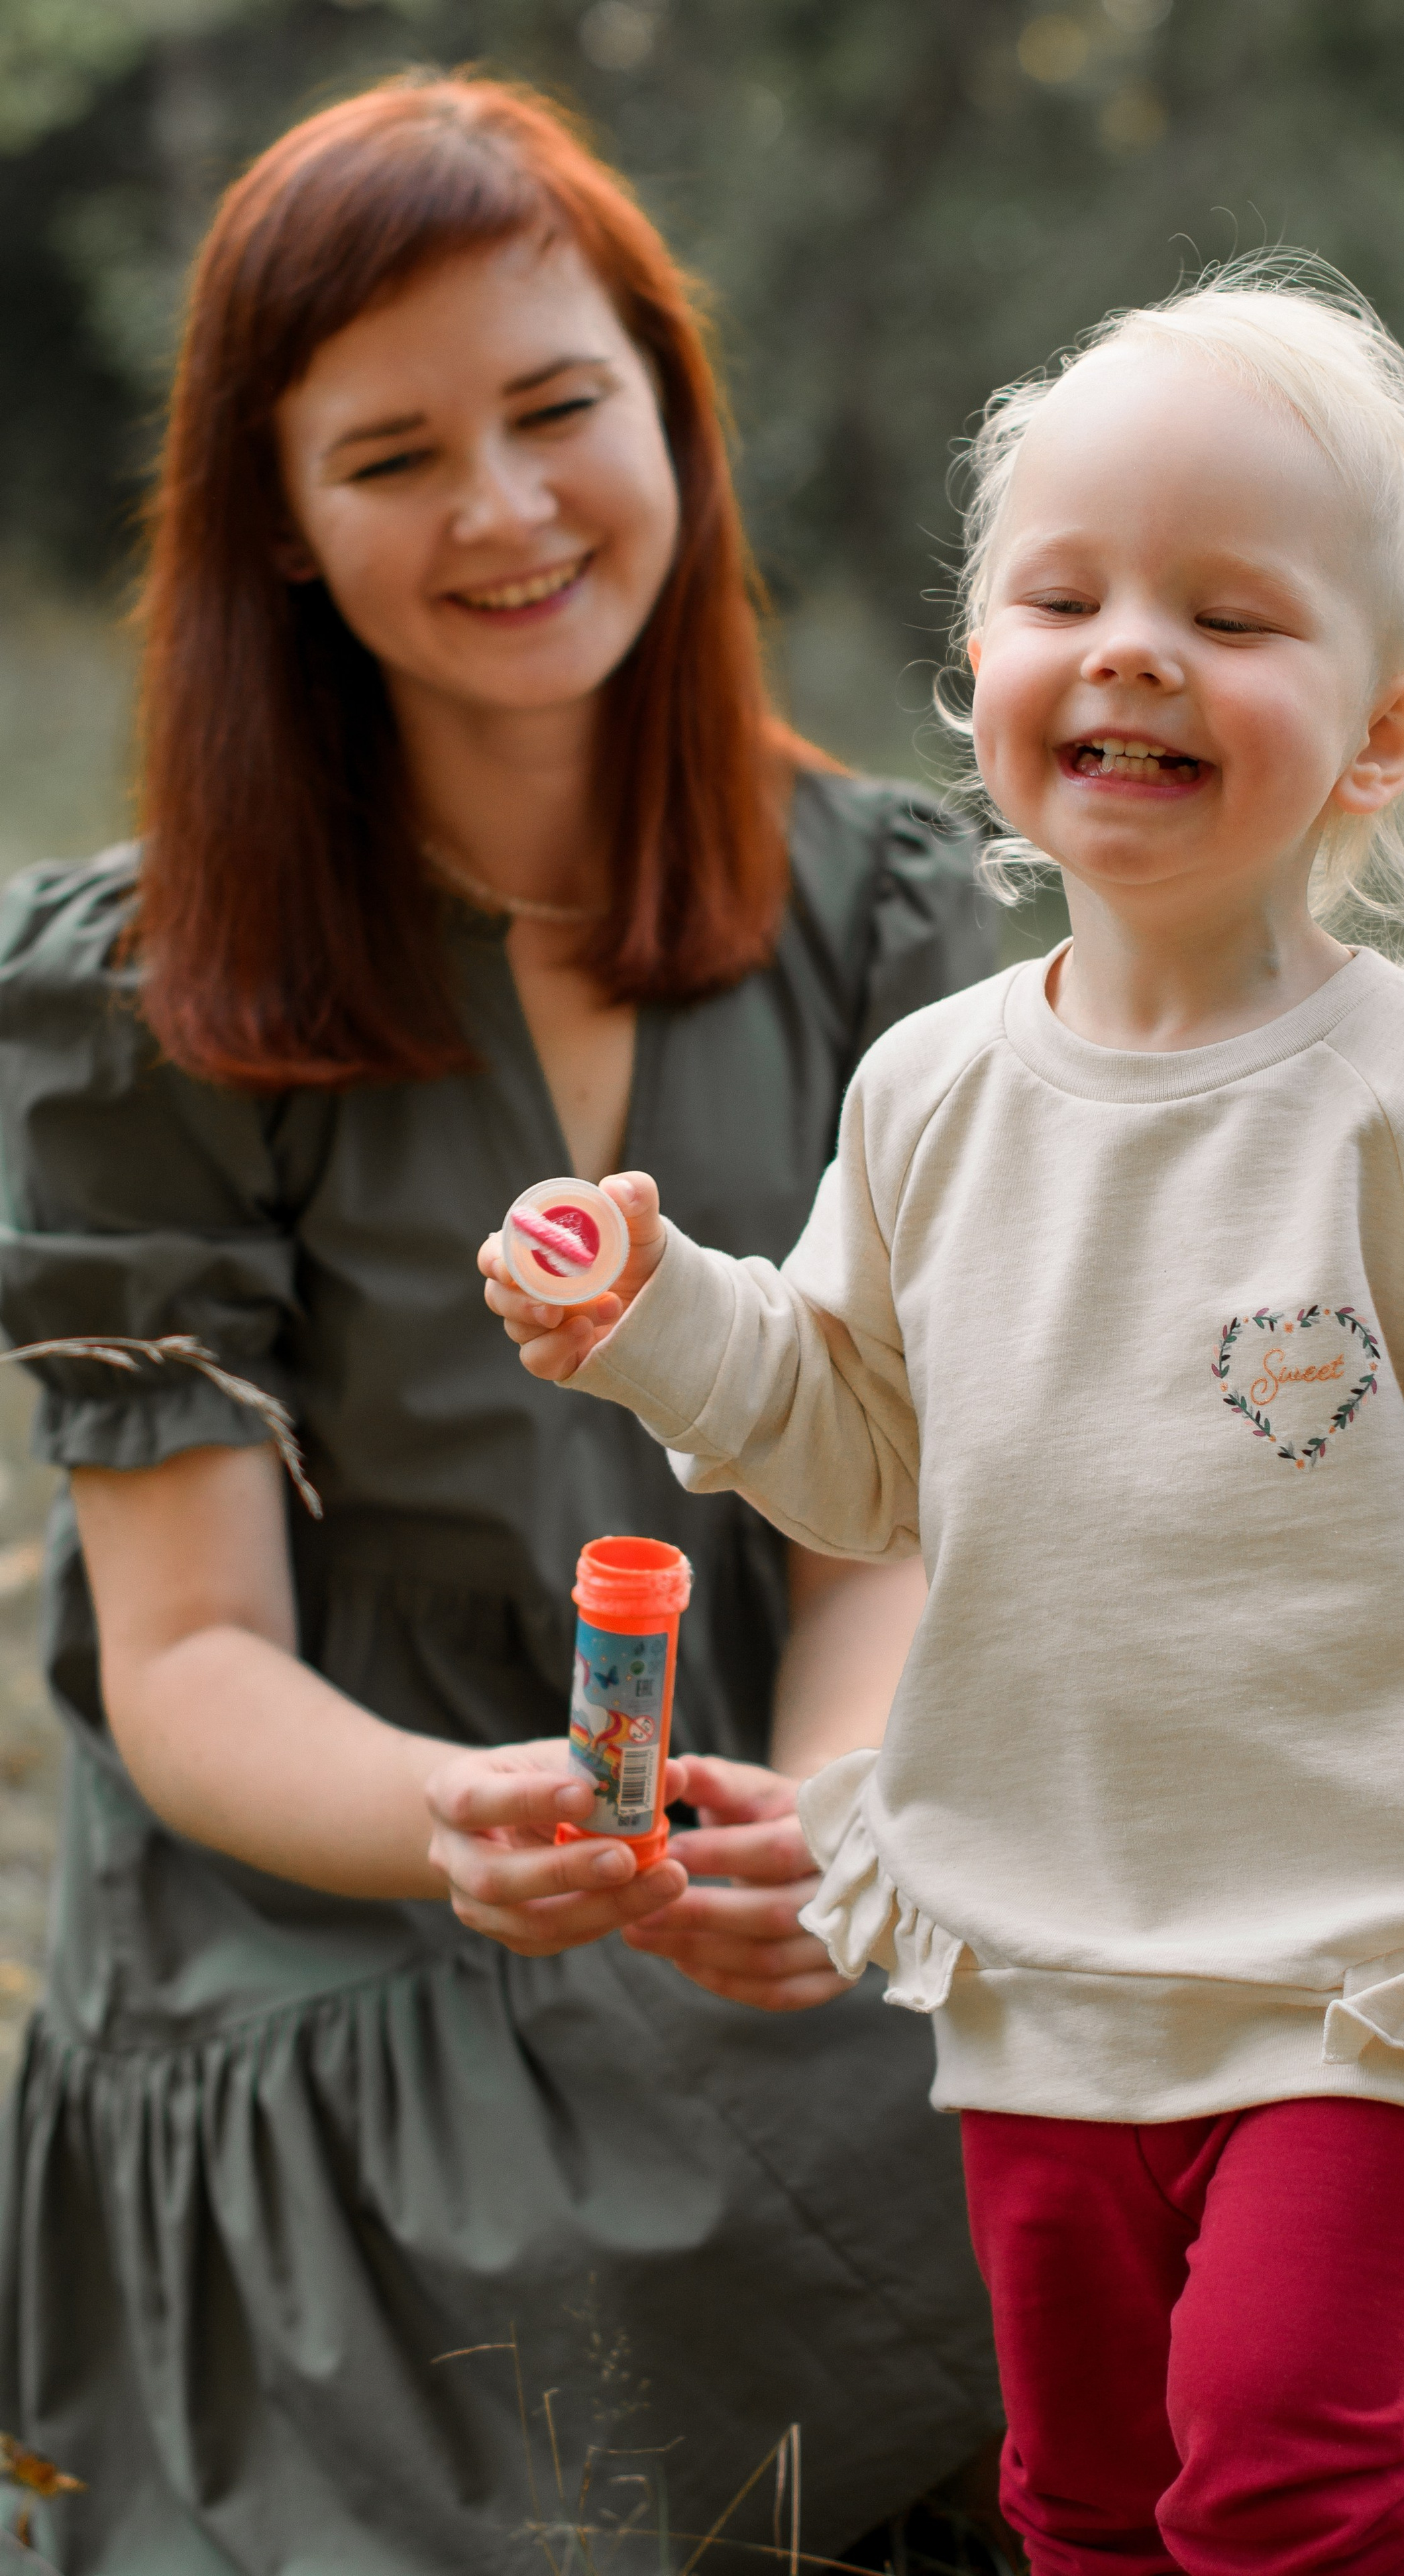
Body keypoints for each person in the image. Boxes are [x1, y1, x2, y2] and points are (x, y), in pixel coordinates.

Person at [482, 260, 1404, 2576]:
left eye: (1231, 615)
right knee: (1095, 2493)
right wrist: (660, 1316)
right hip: (1046, 1944)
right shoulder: (935, 1090)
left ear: (1381, 736)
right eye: (1066, 595)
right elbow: (856, 1444)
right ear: (983, 681)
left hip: (1368, 1959)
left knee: (1291, 2469)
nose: (1133, 646)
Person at [0, 74, 1002, 2576]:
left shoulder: (887, 911)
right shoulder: (144, 999)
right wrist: (465, 1826)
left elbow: (881, 1504)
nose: (507, 508)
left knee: (1186, 2081)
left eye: (560, 408)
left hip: (788, 1873)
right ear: (283, 532)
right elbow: (192, 1656)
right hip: (342, 1923)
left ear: (672, 406)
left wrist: (844, 1821)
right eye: (394, 454)